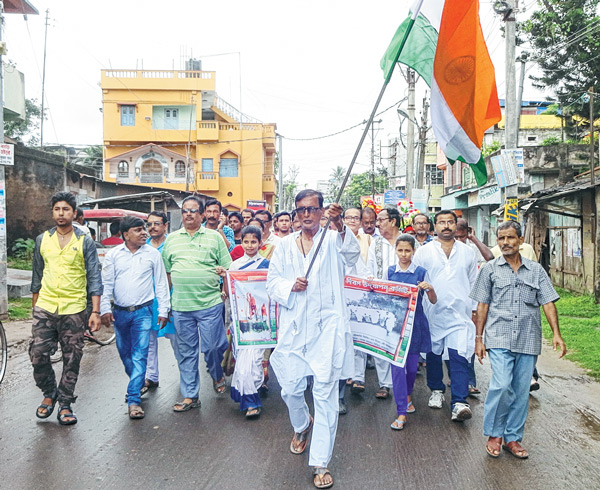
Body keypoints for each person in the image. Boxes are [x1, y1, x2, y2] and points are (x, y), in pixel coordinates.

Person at [266, 189, 359, 490]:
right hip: (294, 330)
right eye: (301, 210)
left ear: (322, 212)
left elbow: (352, 255)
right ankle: (302, 424)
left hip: (328, 330)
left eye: (312, 209)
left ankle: (321, 462)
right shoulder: (283, 247)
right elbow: (272, 282)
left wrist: (341, 226)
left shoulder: (333, 240)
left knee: (325, 394)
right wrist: (289, 285)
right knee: (290, 388)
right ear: (295, 213)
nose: (306, 214)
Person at [471, 220, 567, 459]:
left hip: (528, 337)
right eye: (501, 238)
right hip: (499, 336)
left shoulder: (536, 270)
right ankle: (494, 434)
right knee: (501, 385)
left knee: (521, 390)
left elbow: (547, 302)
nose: (505, 243)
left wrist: (556, 333)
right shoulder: (490, 270)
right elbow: (482, 305)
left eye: (510, 238)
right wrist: (479, 338)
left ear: (520, 240)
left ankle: (512, 438)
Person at [30, 191, 103, 425]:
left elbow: (94, 277)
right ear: (52, 212)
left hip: (74, 308)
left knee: (72, 357)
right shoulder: (43, 240)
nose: (61, 213)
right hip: (46, 305)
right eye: (57, 209)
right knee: (38, 354)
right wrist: (35, 308)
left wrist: (95, 311)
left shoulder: (84, 241)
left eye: (66, 209)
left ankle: (65, 403)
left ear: (74, 213)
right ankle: (49, 393)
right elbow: (36, 277)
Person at [162, 196, 232, 412]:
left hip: (210, 303)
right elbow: (167, 273)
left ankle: (217, 372)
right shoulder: (172, 239)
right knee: (186, 351)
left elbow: (228, 269)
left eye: (193, 211)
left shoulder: (214, 238)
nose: (189, 214)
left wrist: (226, 295)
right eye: (185, 211)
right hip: (182, 306)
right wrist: (168, 303)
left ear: (202, 215)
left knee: (213, 347)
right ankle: (191, 395)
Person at [100, 216, 170, 419]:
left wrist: (163, 310)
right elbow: (107, 284)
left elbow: (161, 284)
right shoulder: (113, 255)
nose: (144, 233)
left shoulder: (152, 255)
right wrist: (105, 309)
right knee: (125, 354)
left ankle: (133, 400)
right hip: (120, 312)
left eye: (144, 229)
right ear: (125, 234)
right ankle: (137, 382)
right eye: (138, 230)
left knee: (140, 355)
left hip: (143, 312)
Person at [413, 210, 478, 422]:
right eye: (442, 222)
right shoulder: (423, 252)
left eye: (450, 222)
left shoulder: (468, 252)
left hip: (460, 314)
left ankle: (459, 401)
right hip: (433, 312)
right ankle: (437, 390)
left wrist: (475, 310)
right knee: (433, 355)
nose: (446, 226)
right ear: (435, 226)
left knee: (459, 356)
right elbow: (415, 279)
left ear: (455, 225)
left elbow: (474, 283)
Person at [218, 224, 270, 419]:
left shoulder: (266, 266)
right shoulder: (235, 266)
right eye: (246, 241)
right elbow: (231, 293)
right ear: (242, 242)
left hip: (260, 322)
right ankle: (249, 397)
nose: (249, 245)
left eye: (253, 242)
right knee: (243, 361)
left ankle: (252, 400)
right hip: (240, 320)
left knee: (254, 361)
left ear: (260, 243)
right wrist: (225, 276)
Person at [387, 234, 436, 430]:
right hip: (395, 326)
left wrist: (429, 288)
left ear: (414, 251)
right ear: (396, 251)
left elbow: (433, 300)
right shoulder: (390, 271)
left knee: (412, 368)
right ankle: (401, 412)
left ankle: (408, 394)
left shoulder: (422, 272)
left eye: (408, 250)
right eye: (400, 250)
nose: (404, 254)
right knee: (397, 368)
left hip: (415, 326)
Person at [353, 207, 402, 400]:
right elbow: (370, 267)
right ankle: (371, 382)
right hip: (379, 297)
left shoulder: (407, 241)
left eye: (381, 220)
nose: (377, 224)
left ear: (393, 221)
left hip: (401, 300)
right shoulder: (376, 243)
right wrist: (370, 282)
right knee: (375, 338)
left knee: (393, 342)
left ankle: (393, 384)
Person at [142, 211, 177, 395]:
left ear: (166, 225)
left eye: (156, 223)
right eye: (149, 224)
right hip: (147, 300)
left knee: (176, 340)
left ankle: (186, 376)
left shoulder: (173, 244)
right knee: (148, 341)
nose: (152, 227)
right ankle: (151, 377)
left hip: (170, 299)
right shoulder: (143, 246)